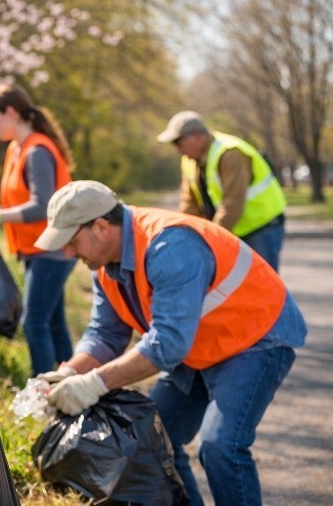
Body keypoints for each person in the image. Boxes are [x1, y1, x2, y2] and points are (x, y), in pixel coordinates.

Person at [35, 180, 307, 505]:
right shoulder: (103, 265)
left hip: (255, 337)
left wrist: (94, 384)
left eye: (71, 241)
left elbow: (168, 344)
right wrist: (69, 373)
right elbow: (106, 334)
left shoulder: (171, 246)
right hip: (201, 345)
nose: (66, 252)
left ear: (101, 227)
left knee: (221, 446)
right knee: (153, 436)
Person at [0, 83, 75, 375]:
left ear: (11, 113)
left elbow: (42, 206)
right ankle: (71, 383)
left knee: (34, 323)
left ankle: (43, 392)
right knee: (53, 324)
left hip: (53, 249)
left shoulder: (37, 151)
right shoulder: (18, 149)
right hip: (36, 249)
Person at [157, 110, 286, 271]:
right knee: (233, 289)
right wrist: (182, 237)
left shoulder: (230, 153)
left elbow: (232, 203)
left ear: (198, 137)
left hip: (259, 229)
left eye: (178, 142)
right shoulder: (189, 160)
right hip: (232, 230)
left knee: (263, 287)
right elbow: (190, 203)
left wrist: (211, 240)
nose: (177, 150)